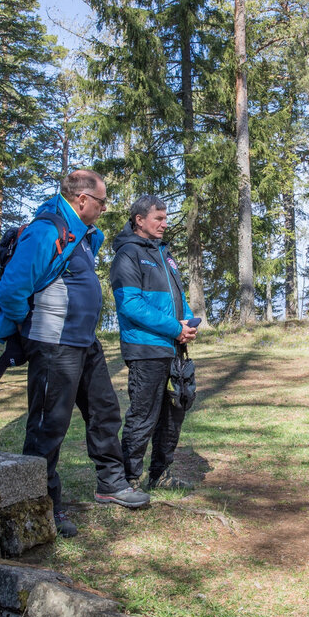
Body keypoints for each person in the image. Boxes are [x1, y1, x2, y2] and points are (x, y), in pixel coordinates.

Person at [0, 169, 150, 540]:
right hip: (54, 345)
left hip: (84, 341)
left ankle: (111, 484)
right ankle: (42, 504)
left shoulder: (86, 236)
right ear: (82, 200)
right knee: (48, 427)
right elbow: (12, 290)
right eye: (102, 201)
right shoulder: (46, 230)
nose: (106, 208)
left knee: (104, 411)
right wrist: (34, 331)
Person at [110, 195, 198, 491]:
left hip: (174, 348)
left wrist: (187, 323)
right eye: (158, 218)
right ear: (139, 220)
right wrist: (174, 327)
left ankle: (160, 474)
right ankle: (129, 479)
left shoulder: (164, 253)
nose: (164, 223)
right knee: (143, 415)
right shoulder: (128, 254)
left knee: (174, 415)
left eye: (165, 217)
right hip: (145, 348)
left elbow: (178, 296)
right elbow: (130, 305)